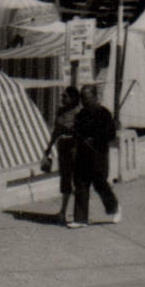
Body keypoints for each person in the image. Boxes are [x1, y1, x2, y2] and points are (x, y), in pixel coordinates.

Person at [70, 86, 120, 226]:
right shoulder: (81, 115)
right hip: (82, 155)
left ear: (95, 97)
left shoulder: (104, 114)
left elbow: (111, 134)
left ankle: (114, 207)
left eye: (87, 98)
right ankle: (80, 219)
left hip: (98, 154)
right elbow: (77, 133)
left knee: (100, 184)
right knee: (80, 184)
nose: (84, 102)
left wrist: (95, 139)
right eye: (82, 99)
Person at [41, 87, 82, 226]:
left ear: (73, 98)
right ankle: (63, 212)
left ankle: (80, 213)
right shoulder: (60, 111)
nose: (62, 98)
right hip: (63, 147)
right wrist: (48, 149)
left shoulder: (79, 112)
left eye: (65, 96)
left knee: (76, 180)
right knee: (65, 179)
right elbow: (56, 131)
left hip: (75, 148)